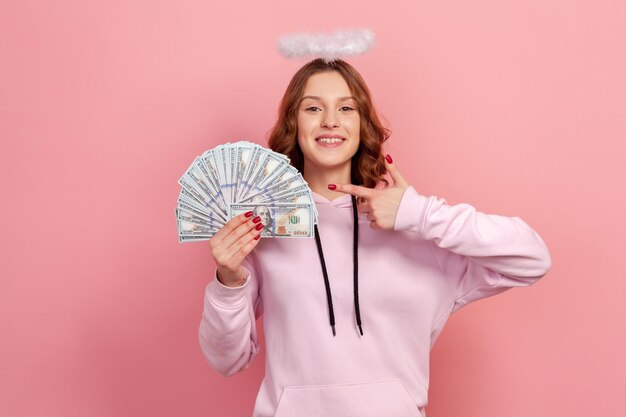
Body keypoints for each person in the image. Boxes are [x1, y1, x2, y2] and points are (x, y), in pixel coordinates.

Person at [199, 58, 552, 417]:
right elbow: (227, 359)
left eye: (346, 107)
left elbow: (532, 258)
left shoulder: (415, 230)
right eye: (313, 107)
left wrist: (419, 213)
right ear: (294, 122)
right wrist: (228, 281)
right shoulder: (264, 230)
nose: (330, 120)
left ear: (362, 123)